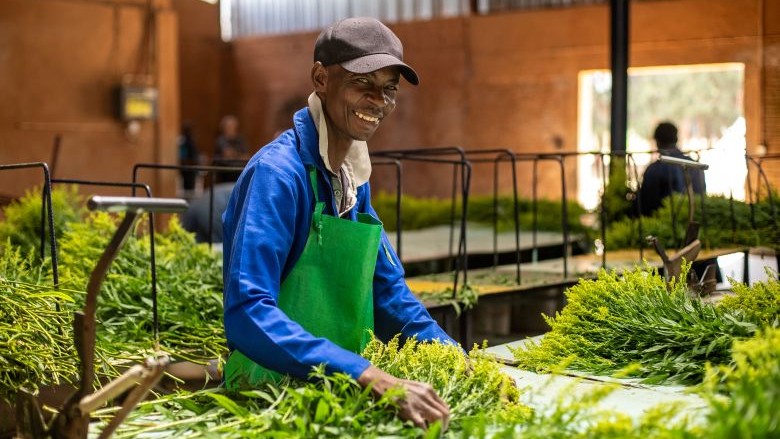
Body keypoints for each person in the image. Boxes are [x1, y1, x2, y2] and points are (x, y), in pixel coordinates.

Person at [221, 17, 454, 430]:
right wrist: (369, 375)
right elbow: (247, 312)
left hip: (337, 392)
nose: (377, 101)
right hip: (268, 401)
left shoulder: (350, 178)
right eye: (363, 84)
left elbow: (387, 292)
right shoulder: (279, 176)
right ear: (321, 78)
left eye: (388, 89)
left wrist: (457, 359)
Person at [636, 121, 706, 216]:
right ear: (676, 139)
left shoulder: (654, 170)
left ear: (657, 142)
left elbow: (647, 205)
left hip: (663, 223)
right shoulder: (694, 165)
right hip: (694, 219)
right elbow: (701, 197)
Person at [177, 122, 201, 194]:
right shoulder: (184, 142)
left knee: (190, 190)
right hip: (187, 168)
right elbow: (183, 155)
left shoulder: (190, 141)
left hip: (191, 168)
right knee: (187, 190)